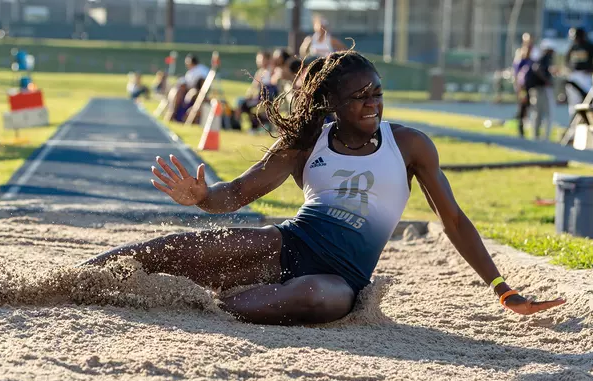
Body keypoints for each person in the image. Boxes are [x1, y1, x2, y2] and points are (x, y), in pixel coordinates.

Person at [79, 50, 566, 326]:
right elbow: (238, 194)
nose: (373, 102)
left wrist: (503, 289)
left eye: (377, 91)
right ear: (331, 103)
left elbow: (454, 221)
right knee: (168, 252)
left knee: (313, 297)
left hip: (342, 280)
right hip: (287, 244)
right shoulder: (307, 142)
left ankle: (201, 306)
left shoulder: (411, 145)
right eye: (360, 96)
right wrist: (203, 197)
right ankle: (66, 280)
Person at [564, 27, 593, 113]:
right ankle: (573, 121)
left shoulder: (589, 45)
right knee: (573, 99)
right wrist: (570, 68)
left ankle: (588, 119)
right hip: (575, 75)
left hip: (586, 75)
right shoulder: (573, 46)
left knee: (588, 97)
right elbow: (567, 59)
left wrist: (592, 68)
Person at [528, 40, 557, 141]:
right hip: (541, 89)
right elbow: (537, 69)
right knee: (545, 113)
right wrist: (547, 81)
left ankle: (536, 136)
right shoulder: (544, 58)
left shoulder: (539, 57)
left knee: (538, 113)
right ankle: (543, 137)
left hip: (537, 89)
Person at [512, 45, 533, 137]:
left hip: (529, 88)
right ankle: (521, 128)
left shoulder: (530, 61)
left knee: (527, 107)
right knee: (522, 107)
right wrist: (519, 89)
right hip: (522, 88)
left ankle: (525, 124)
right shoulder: (520, 62)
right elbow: (516, 76)